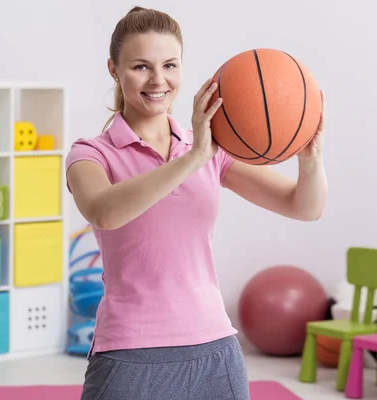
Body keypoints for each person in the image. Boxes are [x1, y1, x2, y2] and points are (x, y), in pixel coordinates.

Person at [65, 6, 327, 400]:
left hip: (215, 348)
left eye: (170, 65)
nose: (158, 80)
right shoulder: (90, 154)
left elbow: (303, 207)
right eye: (141, 66)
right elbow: (103, 211)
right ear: (114, 69)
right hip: (129, 352)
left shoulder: (211, 150)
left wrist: (310, 160)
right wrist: (191, 159)